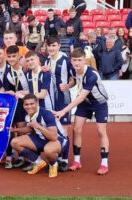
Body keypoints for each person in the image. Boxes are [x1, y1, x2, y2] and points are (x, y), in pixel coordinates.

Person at [54, 48, 110, 175]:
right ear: (71, 61)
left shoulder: (91, 75)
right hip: (85, 104)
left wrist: (63, 111)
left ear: (85, 60)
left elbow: (80, 97)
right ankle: (77, 161)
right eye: (74, 60)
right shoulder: (72, 69)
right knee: (76, 129)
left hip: (98, 103)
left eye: (79, 60)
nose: (77, 63)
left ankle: (104, 163)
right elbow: (74, 80)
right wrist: (68, 86)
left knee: (101, 131)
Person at [10, 94, 68, 178]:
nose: (29, 106)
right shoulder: (27, 115)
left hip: (58, 140)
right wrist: (15, 130)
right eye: (26, 104)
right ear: (23, 105)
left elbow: (53, 137)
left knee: (48, 150)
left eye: (31, 104)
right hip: (42, 138)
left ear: (37, 104)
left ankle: (53, 164)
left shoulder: (46, 114)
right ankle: (39, 163)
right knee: (15, 142)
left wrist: (39, 127)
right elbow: (31, 129)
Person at [43, 37, 74, 172]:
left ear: (59, 46)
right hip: (50, 100)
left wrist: (67, 85)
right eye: (49, 46)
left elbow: (74, 79)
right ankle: (56, 157)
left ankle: (64, 160)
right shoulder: (47, 61)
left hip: (63, 99)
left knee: (64, 130)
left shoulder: (65, 61)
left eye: (54, 45)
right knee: (53, 130)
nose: (51, 48)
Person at [4, 45, 30, 170]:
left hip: (24, 104)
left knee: (22, 130)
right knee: (13, 130)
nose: (11, 59)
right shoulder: (7, 72)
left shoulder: (25, 69)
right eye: (9, 57)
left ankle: (28, 158)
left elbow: (30, 89)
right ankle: (18, 157)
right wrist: (8, 92)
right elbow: (6, 89)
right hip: (13, 104)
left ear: (19, 56)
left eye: (14, 56)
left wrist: (21, 94)